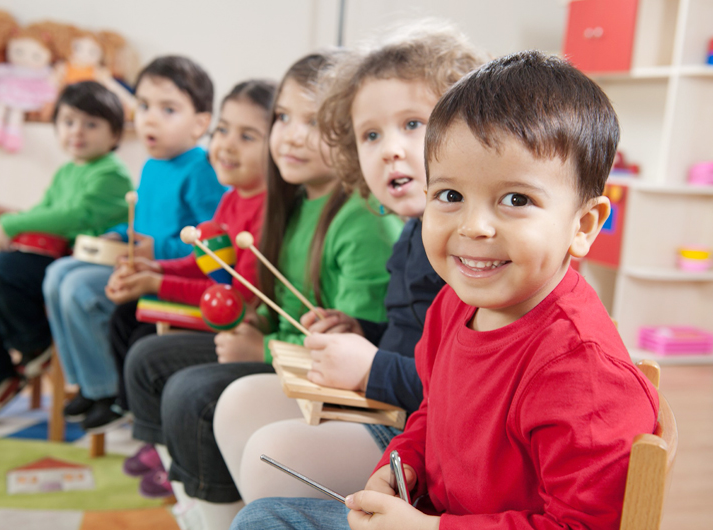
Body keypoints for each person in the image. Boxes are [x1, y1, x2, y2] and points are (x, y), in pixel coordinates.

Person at [231, 50, 659, 530]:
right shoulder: (455, 303)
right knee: (266, 517)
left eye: (516, 199)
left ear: (582, 225)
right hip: (439, 515)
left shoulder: (583, 373)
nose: (474, 227)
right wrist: (403, 466)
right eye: (451, 196)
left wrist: (429, 528)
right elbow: (433, 411)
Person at [122, 52, 402, 526]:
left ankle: (215, 513)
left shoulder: (361, 221)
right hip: (288, 354)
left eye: (314, 121)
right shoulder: (291, 201)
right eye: (283, 117)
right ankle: (194, 502)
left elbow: (358, 344)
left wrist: (263, 344)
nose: (292, 134)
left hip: (331, 382)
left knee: (193, 394)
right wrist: (255, 324)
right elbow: (272, 302)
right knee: (149, 360)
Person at [213, 20, 486, 503]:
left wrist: (372, 366)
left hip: (424, 438)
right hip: (396, 406)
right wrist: (363, 332)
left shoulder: (469, 249)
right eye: (371, 135)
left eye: (412, 125)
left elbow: (462, 385)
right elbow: (414, 337)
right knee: (235, 404)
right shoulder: (412, 232)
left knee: (267, 453)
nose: (390, 150)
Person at [42, 56, 225, 432]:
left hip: (163, 274)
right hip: (137, 262)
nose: (149, 119)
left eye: (168, 109)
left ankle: (109, 390)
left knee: (77, 286)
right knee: (57, 273)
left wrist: (155, 249)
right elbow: (139, 223)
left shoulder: (202, 169)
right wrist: (117, 234)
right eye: (142, 106)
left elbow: (212, 249)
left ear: (200, 124)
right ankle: (89, 385)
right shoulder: (151, 165)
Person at [96, 78, 276, 446]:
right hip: (217, 305)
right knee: (123, 318)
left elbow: (238, 295)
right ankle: (141, 425)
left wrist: (157, 284)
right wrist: (156, 269)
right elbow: (205, 263)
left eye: (247, 136)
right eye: (223, 130)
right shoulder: (232, 199)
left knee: (145, 345)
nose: (225, 143)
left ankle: (158, 440)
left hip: (237, 321)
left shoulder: (267, 210)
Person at [0, 81, 133, 425]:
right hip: (60, 259)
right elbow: (44, 213)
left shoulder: (111, 173)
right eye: (68, 122)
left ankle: (35, 344)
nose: (77, 132)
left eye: (91, 124)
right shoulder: (67, 171)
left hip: (82, 263)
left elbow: (77, 216)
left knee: (1, 267)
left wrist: (11, 225)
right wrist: (13, 216)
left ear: (115, 134)